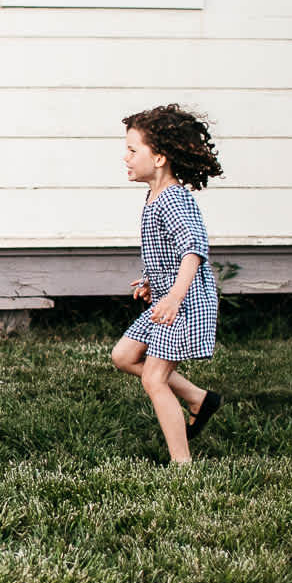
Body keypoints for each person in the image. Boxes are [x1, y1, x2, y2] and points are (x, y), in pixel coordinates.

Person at [110, 104, 224, 465]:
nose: (124, 157)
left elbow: (193, 250)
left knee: (155, 379)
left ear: (158, 158)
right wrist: (151, 282)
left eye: (133, 150)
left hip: (184, 305)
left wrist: (174, 295)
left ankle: (182, 465)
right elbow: (170, 253)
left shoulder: (173, 199)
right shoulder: (155, 196)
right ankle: (199, 399)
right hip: (166, 300)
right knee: (124, 357)